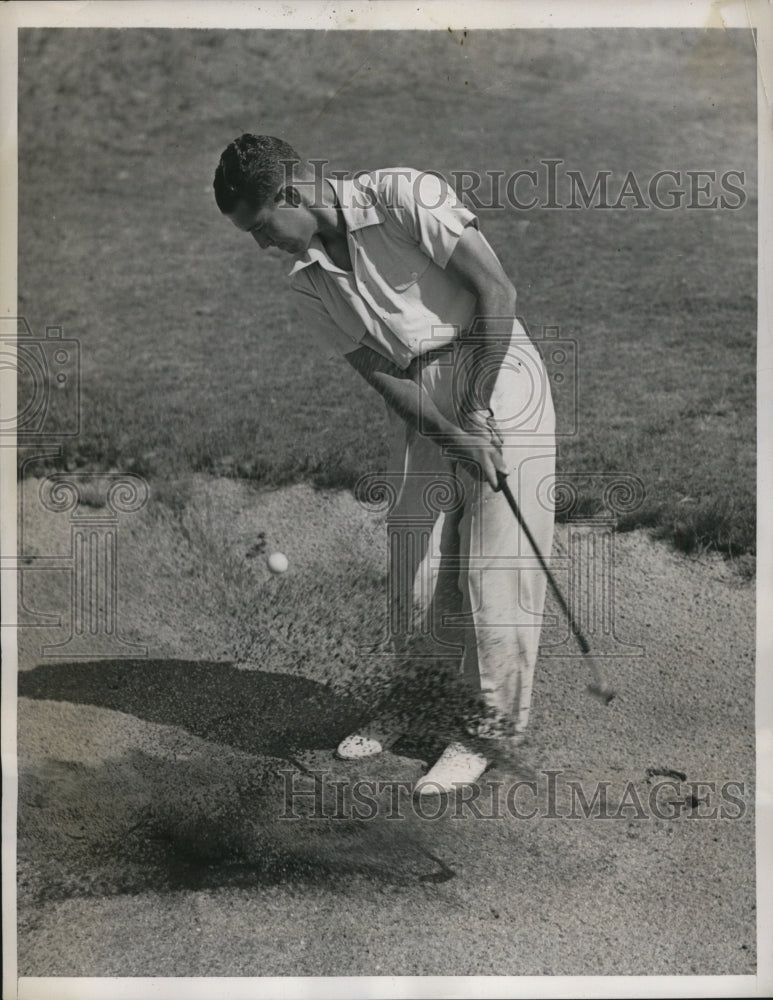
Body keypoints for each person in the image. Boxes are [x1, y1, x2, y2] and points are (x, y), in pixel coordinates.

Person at [213, 134, 556, 796]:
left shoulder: (402, 195)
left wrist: (479, 405)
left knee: (493, 567)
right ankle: (419, 701)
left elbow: (496, 290)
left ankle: (489, 731)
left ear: (290, 193)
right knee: (414, 561)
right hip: (424, 403)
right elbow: (375, 369)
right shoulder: (307, 283)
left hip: (498, 367)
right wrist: (452, 433)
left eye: (261, 227)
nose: (262, 245)